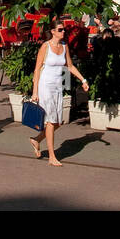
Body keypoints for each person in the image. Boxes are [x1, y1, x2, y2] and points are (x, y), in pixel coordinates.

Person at [29, 17, 89, 167]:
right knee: (50, 121)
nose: (63, 32)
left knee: (58, 122)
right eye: (60, 30)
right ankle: (51, 156)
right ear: (53, 32)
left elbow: (70, 66)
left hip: (57, 87)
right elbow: (37, 70)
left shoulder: (64, 46)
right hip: (45, 86)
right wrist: (35, 92)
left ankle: (36, 140)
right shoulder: (45, 47)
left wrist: (83, 80)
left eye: (64, 29)